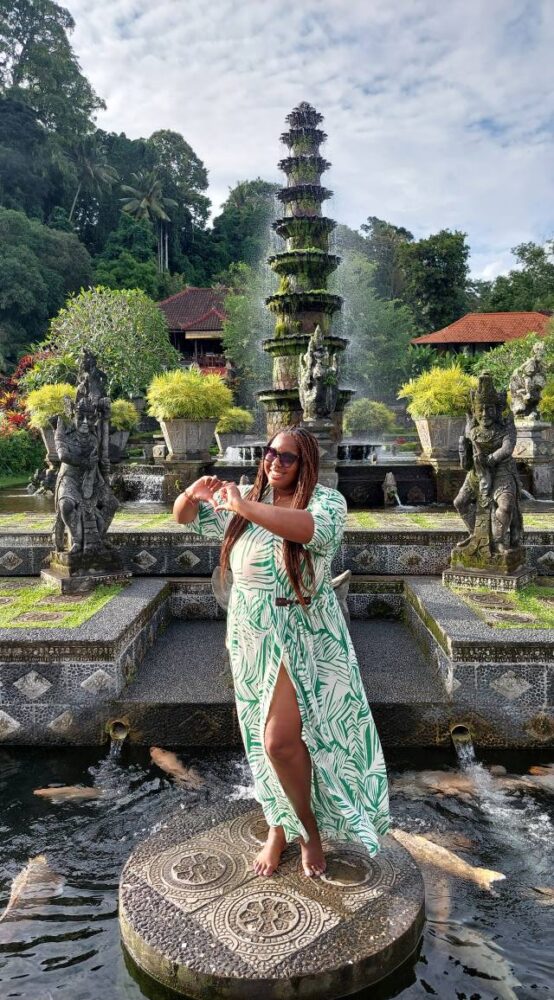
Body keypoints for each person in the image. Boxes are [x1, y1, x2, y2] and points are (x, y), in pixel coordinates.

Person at [174, 425, 389, 878]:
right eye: (270, 453)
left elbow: (309, 532)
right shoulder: (249, 501)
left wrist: (244, 505)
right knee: (262, 738)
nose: (274, 462)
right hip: (251, 633)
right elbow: (183, 518)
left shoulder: (325, 501)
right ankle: (279, 824)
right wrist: (191, 494)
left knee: (283, 739)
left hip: (305, 630)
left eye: (287, 457)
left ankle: (307, 829)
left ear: (306, 463)